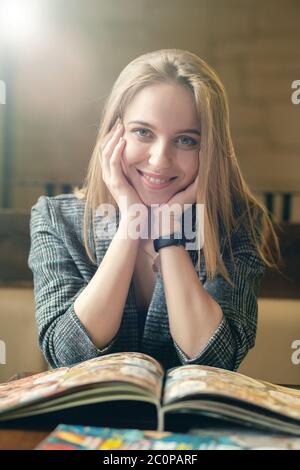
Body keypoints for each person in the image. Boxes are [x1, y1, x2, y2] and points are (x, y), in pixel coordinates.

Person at [28, 49, 279, 371]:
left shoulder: (237, 222)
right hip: (81, 419)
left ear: (210, 150)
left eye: (186, 140)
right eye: (143, 132)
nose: (160, 159)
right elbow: (69, 355)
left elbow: (218, 358)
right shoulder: (55, 218)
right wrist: (131, 222)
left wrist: (169, 236)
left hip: (188, 421)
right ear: (113, 135)